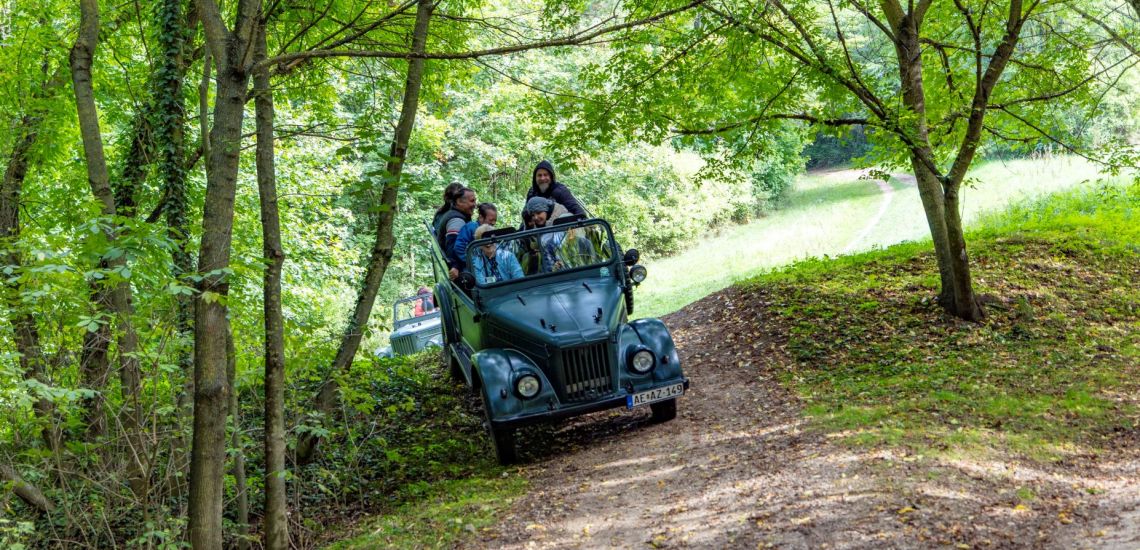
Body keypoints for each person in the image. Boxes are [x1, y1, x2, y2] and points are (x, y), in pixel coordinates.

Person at [434, 186, 476, 280]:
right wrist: (455, 266)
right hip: (460, 269)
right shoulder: (457, 220)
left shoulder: (455, 214)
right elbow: (452, 246)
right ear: (459, 202)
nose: (475, 205)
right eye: (472, 201)